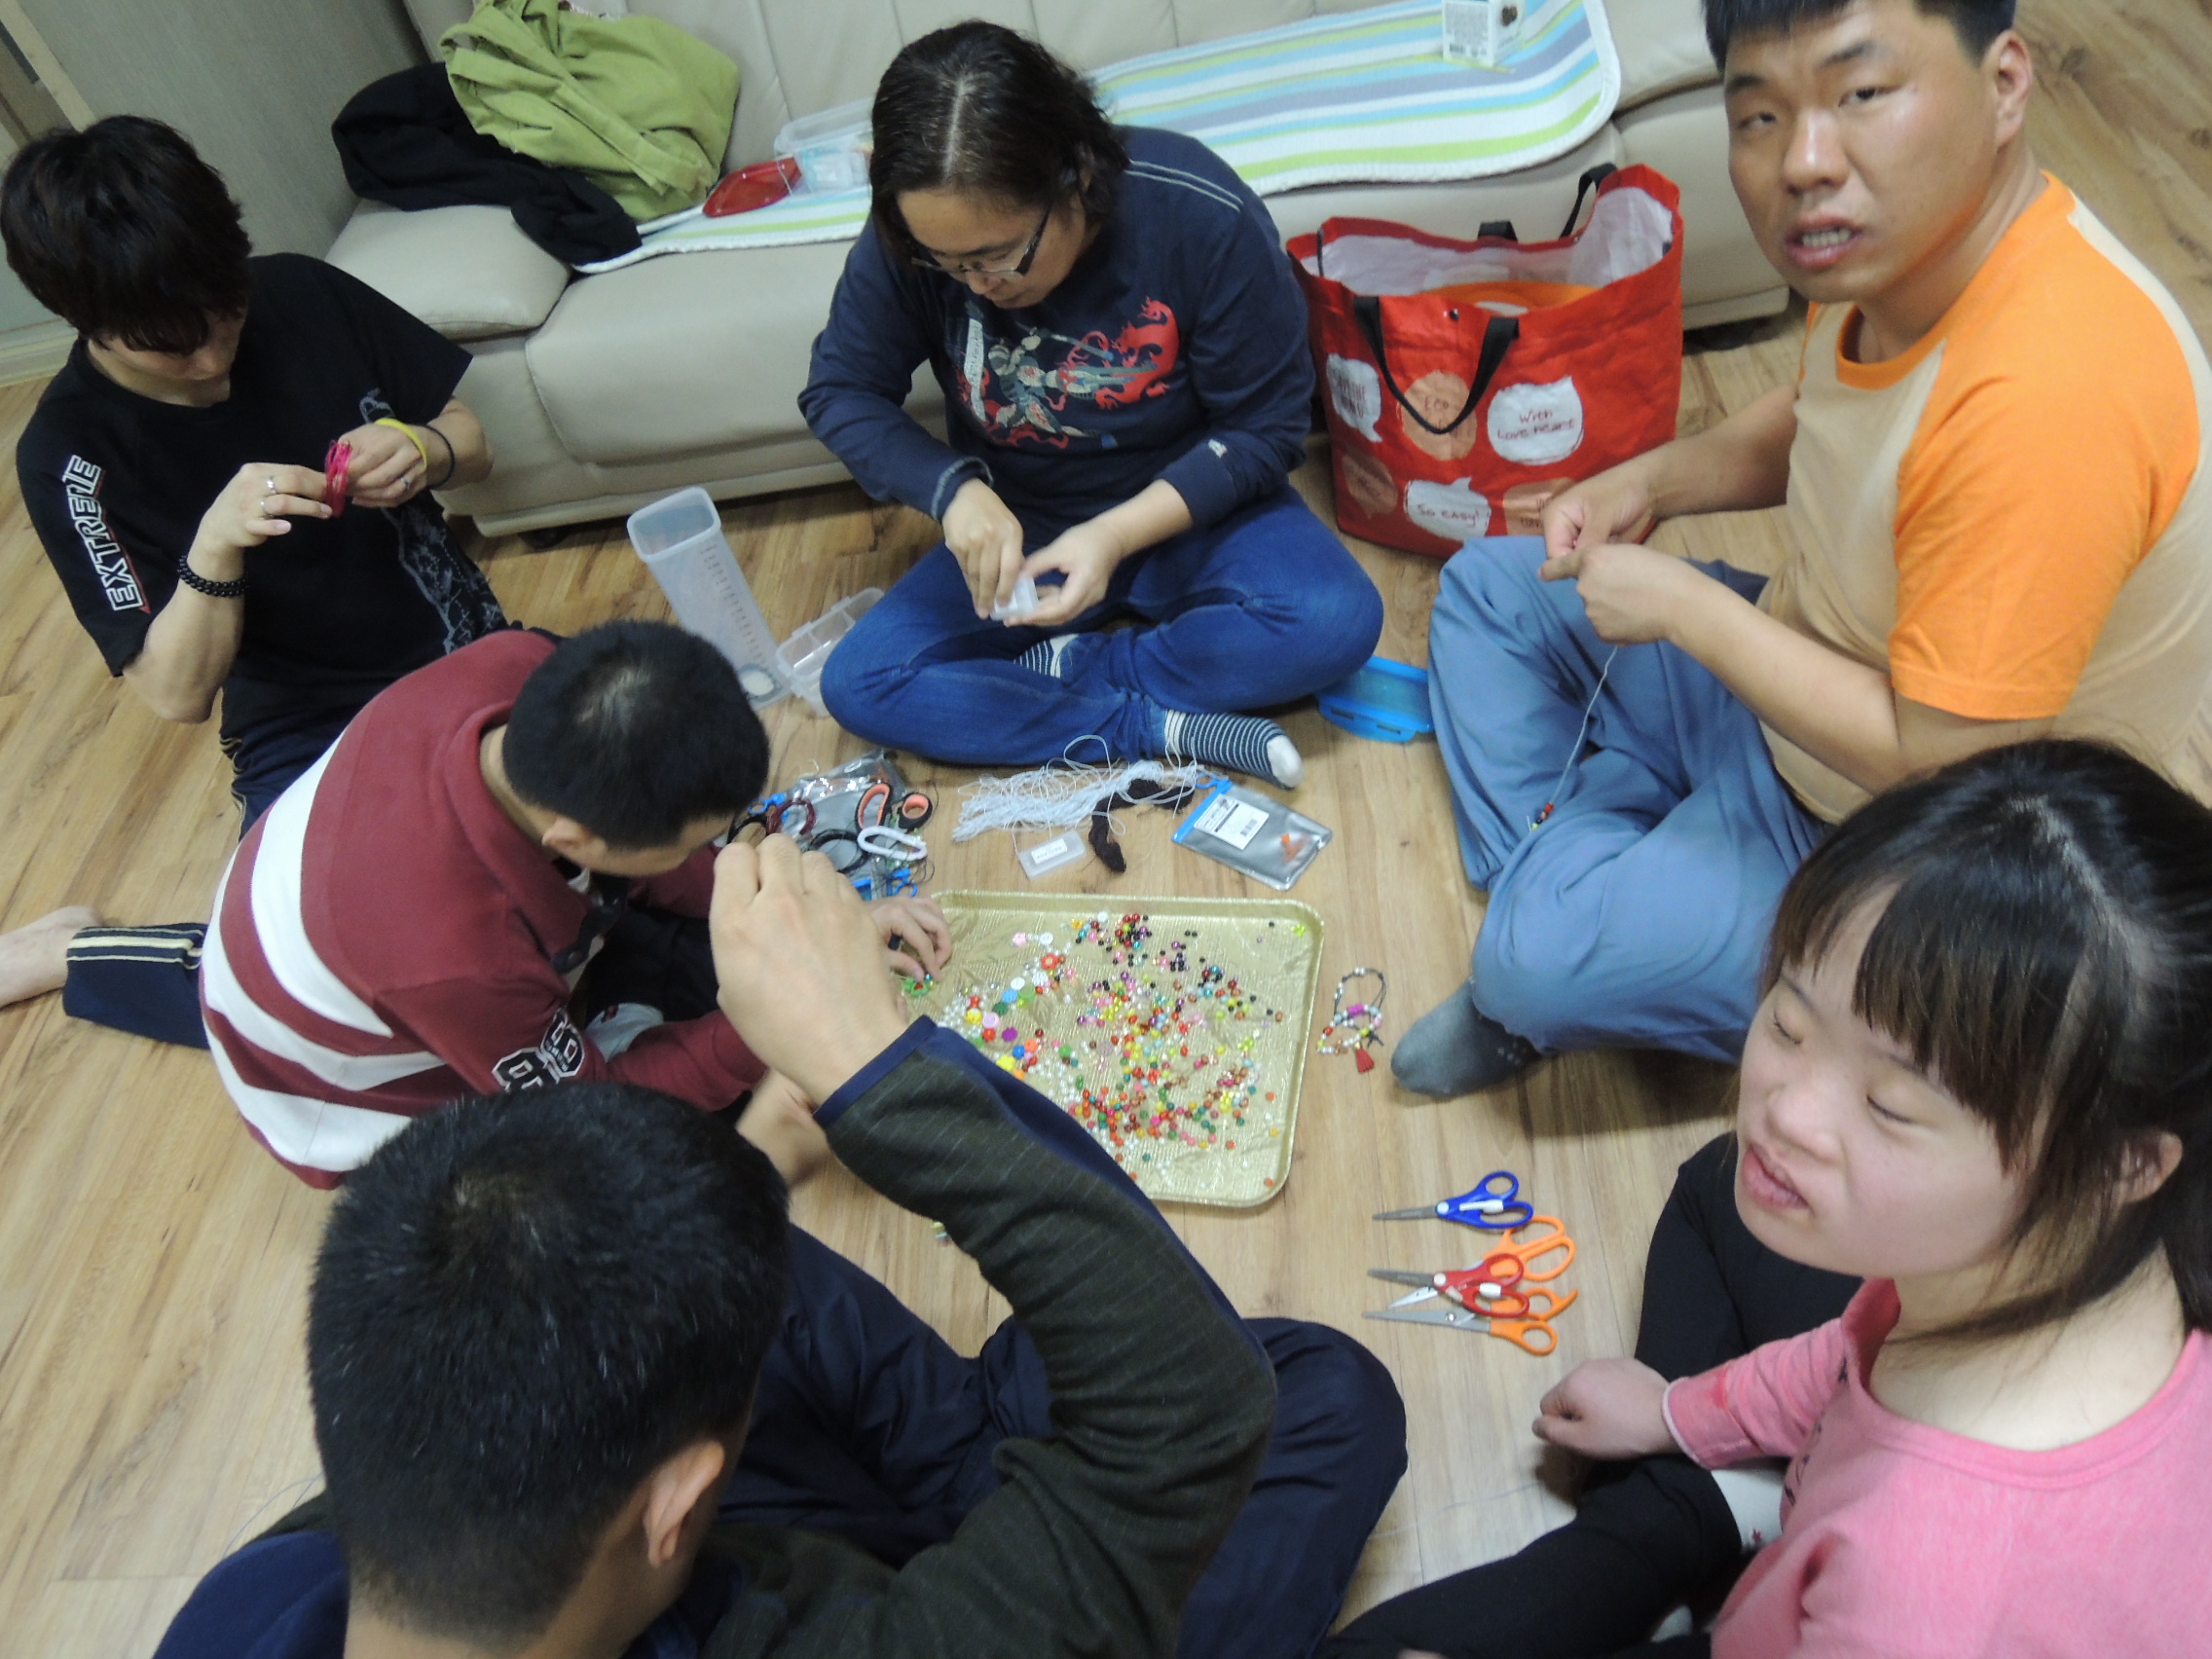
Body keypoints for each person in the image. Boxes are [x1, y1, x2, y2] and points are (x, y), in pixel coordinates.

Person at [150, 833, 1409, 1659]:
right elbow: (1190, 1410)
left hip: (704, 1542)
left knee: (720, 1247)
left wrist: (749, 1163)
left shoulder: (254, 1608)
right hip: (851, 1580)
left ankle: (1003, 1487)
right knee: (1323, 1392)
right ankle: (1047, 1533)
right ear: (673, 1506)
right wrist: (872, 1062)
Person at [1392, 0, 2212, 1096]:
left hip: (1923, 840)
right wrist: (1650, 480)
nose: (1803, 163)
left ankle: (1583, 907)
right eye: (1760, 116)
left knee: (1525, 969)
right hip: (1796, 681)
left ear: (2006, 83)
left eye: (1860, 93)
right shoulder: (1899, 254)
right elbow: (1820, 409)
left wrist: (1686, 612)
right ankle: (1606, 872)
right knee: (1489, 591)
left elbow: (1948, 765)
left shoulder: (2051, 393)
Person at [1328, 739, 2212, 1659]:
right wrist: (1674, 1414)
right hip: (1818, 1532)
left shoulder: (1915, 1593)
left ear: (2119, 1167)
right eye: (1789, 1022)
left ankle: (1684, 1526)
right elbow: (1856, 1346)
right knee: (1718, 1191)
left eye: (1889, 1105)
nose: (1784, 1112)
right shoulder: (2078, 1254)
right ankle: (1710, 1508)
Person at [0, 114, 507, 1036]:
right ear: (89, 322)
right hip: (305, 729)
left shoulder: (302, 291)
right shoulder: (70, 455)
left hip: (462, 655)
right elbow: (174, 692)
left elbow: (471, 438)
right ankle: (72, 955)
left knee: (595, 850)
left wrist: (423, 449)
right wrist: (213, 551)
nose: (211, 357)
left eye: (224, 314)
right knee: (321, 989)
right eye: (170, 343)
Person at [799, 22, 1383, 788]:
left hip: (1192, 508)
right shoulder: (917, 239)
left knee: (1334, 621)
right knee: (862, 682)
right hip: (1027, 525)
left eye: (1000, 257)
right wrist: (955, 493)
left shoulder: (1198, 213)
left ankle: (1068, 668)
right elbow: (840, 389)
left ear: (1075, 173)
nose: (976, 285)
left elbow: (1266, 427)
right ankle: (1154, 724)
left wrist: (1113, 536)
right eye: (946, 263)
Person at [190, 619, 948, 1188]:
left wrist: (816, 920)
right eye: (690, 844)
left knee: (692, 959)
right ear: (575, 841)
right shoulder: (459, 960)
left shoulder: (521, 664)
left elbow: (667, 870)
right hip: (353, 1091)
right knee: (651, 1170)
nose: (712, 856)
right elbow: (597, 1113)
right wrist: (776, 1023)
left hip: (343, 907)